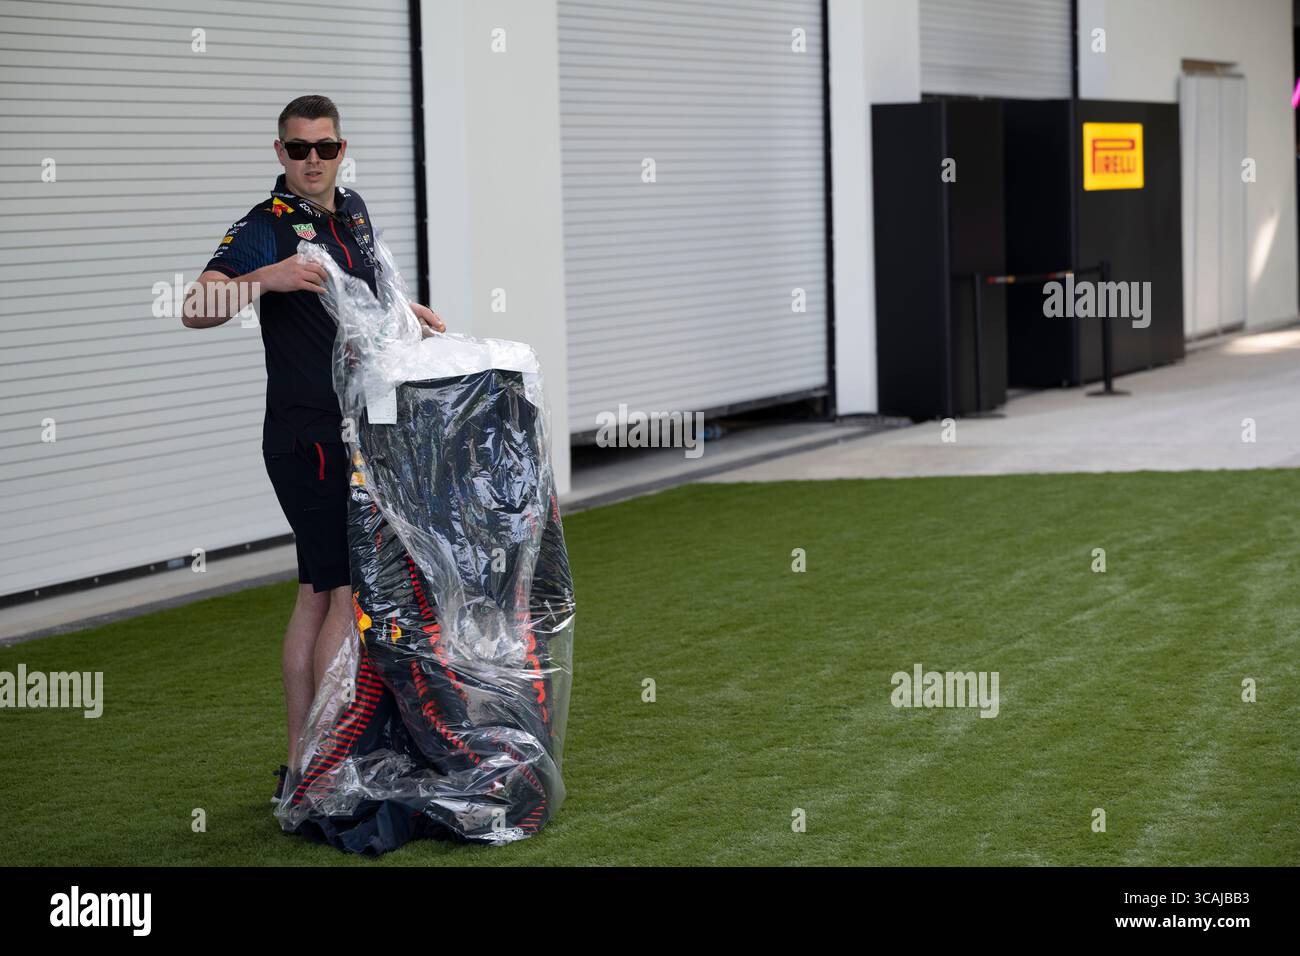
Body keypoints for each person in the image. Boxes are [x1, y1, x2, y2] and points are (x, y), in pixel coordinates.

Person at [181, 94, 445, 799]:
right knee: (343, 594)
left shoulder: (350, 209)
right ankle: (327, 767)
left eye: (324, 148)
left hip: (355, 428)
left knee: (315, 591)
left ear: (340, 149)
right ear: (280, 154)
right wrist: (262, 279)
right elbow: (193, 308)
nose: (311, 162)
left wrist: (404, 313)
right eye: (298, 149)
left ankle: (304, 765)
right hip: (310, 438)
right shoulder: (267, 226)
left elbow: (362, 294)